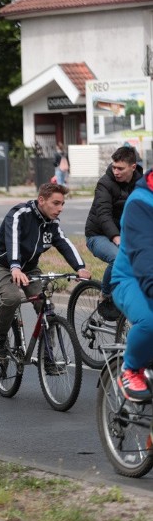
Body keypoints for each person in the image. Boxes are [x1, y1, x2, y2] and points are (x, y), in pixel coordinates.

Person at [0, 183, 91, 358]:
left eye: (62, 204)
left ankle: (48, 356)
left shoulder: (52, 222)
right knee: (12, 298)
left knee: (45, 304)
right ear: (41, 200)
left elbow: (64, 243)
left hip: (29, 269)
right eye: (56, 203)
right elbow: (13, 240)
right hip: (2, 266)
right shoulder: (19, 214)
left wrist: (80, 267)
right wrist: (15, 267)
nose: (60, 209)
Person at [84, 145, 143, 320]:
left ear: (133, 167)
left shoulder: (141, 184)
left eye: (120, 168)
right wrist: (116, 237)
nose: (115, 171)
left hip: (126, 234)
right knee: (118, 257)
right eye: (114, 167)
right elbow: (103, 214)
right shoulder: (105, 183)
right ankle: (106, 295)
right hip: (98, 234)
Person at [112, 166, 153, 401]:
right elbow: (145, 260)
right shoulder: (141, 202)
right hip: (132, 278)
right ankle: (132, 368)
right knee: (150, 320)